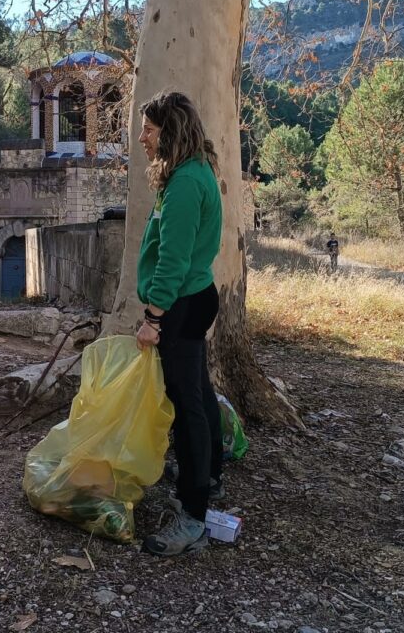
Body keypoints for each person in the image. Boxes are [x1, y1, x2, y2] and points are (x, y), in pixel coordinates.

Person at [133, 91, 223, 557]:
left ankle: (193, 515)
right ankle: (210, 476)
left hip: (181, 303)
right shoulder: (190, 172)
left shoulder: (187, 182)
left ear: (171, 130)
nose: (142, 137)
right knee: (199, 393)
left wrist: (153, 318)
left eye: (149, 129)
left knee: (187, 406)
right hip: (192, 298)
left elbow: (173, 259)